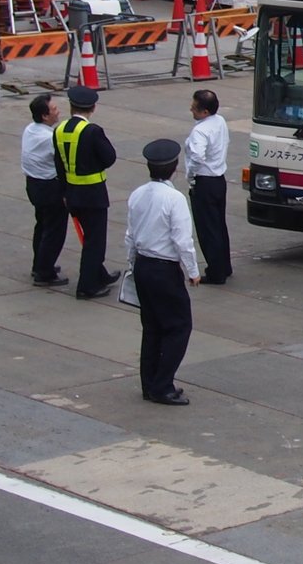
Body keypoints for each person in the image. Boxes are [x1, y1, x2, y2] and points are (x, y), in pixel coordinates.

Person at [125, 138, 201, 405]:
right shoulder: (174, 199)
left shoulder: (137, 194)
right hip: (164, 269)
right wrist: (192, 270)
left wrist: (133, 265)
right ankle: (163, 385)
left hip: (144, 265)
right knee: (179, 327)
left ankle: (150, 384)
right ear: (175, 168)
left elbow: (130, 235)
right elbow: (182, 240)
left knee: (152, 328)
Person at [54, 83, 120, 300]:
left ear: (71, 107)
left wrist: (64, 192)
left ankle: (99, 274)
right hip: (93, 194)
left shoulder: (60, 130)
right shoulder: (92, 131)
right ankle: (86, 286)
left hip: (72, 194)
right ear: (92, 108)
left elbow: (59, 164)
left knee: (89, 238)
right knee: (95, 242)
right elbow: (109, 157)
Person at [185, 88, 231, 284]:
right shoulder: (219, 121)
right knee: (219, 226)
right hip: (219, 179)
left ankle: (216, 272)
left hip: (205, 181)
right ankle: (224, 266)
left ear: (205, 112)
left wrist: (191, 176)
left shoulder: (200, 131)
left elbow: (196, 157)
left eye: (195, 108)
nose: (191, 109)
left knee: (207, 230)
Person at [22, 93, 69, 286]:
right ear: (44, 116)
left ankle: (39, 264)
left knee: (41, 226)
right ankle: (45, 272)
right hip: (49, 188)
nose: (58, 112)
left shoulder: (30, 130)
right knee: (54, 231)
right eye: (54, 109)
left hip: (33, 185)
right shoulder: (50, 137)